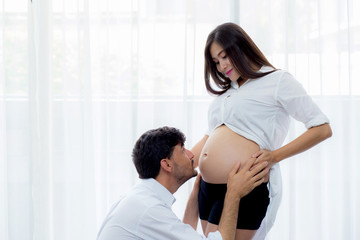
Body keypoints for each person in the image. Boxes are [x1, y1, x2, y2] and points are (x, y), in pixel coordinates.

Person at [191, 22, 332, 240]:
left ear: (241, 47)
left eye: (224, 56)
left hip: (247, 187)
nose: (221, 66)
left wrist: (274, 156)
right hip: (207, 190)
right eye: (216, 62)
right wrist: (177, 164)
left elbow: (322, 128)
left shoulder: (277, 81)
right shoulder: (225, 94)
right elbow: (209, 137)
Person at [96, 126, 270, 240]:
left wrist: (195, 195)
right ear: (167, 164)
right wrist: (234, 194)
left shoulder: (140, 199)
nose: (192, 154)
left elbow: (180, 233)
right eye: (182, 150)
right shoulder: (149, 209)